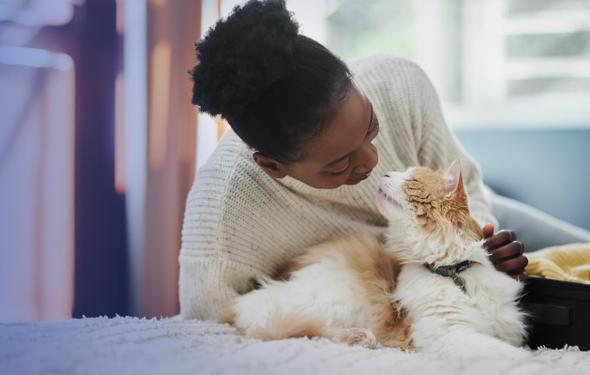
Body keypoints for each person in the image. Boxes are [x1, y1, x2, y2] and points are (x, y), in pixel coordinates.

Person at [179, 0, 590, 321]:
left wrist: (481, 248)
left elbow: (464, 189)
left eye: (372, 127)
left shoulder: (399, 84)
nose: (373, 162)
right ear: (273, 165)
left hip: (463, 229)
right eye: (339, 165)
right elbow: (211, 335)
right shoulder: (221, 223)